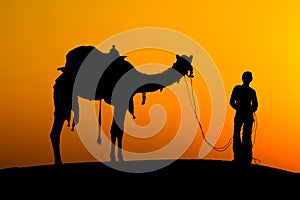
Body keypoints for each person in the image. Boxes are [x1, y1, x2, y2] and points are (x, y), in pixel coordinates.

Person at [230, 71, 258, 165]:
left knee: (244, 136)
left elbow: (255, 105)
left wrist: (246, 110)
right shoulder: (243, 90)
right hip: (242, 115)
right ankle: (240, 158)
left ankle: (244, 158)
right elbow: (232, 102)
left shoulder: (250, 91)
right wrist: (240, 109)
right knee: (240, 135)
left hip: (245, 116)